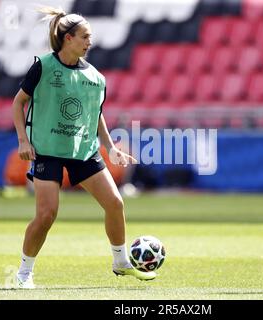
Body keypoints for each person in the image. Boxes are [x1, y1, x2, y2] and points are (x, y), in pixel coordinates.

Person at [11, 6, 156, 289]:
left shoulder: (96, 77)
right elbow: (19, 103)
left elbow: (95, 115)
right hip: (47, 150)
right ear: (68, 38)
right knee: (46, 215)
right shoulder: (43, 66)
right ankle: (24, 273)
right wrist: (23, 140)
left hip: (82, 151)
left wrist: (110, 147)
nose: (90, 42)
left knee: (115, 203)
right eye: (84, 36)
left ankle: (120, 262)